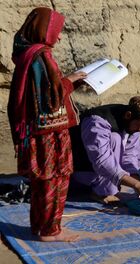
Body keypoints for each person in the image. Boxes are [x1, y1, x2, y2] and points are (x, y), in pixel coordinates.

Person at [7, 7, 87, 242]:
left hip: (34, 130)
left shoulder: (25, 53)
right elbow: (51, 98)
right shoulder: (42, 56)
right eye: (56, 31)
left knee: (41, 180)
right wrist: (72, 80)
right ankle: (51, 231)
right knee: (56, 178)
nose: (59, 37)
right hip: (49, 133)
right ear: (44, 30)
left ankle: (38, 227)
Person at [70, 96, 140, 205]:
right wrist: (136, 185)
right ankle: (103, 191)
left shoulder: (133, 123)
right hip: (82, 169)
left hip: (110, 160)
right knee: (115, 138)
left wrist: (138, 181)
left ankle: (116, 178)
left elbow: (130, 154)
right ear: (128, 115)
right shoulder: (97, 121)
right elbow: (102, 162)